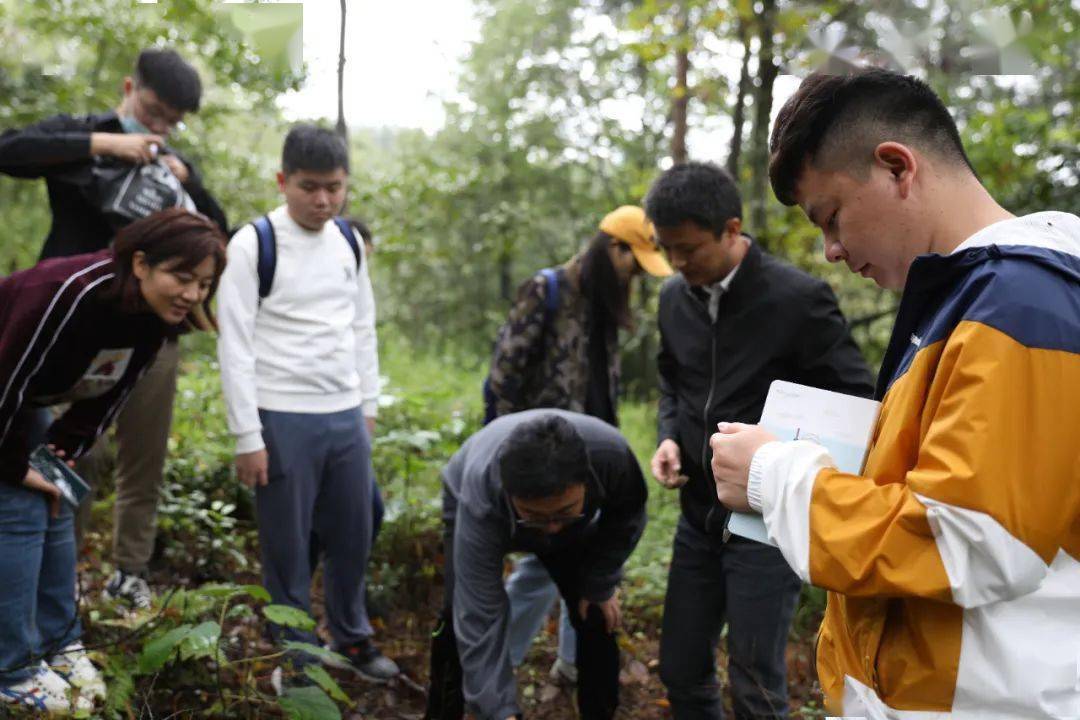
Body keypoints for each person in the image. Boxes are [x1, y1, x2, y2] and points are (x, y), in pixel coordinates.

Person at [709, 68, 1080, 719]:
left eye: (831, 218)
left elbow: (971, 540)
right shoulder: (967, 306)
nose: (830, 251)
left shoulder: (1018, 304)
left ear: (896, 169)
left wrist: (774, 474)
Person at [0, 47, 229, 610]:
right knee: (79, 450)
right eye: (154, 111)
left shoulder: (171, 164)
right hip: (75, 323)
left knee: (143, 453)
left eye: (174, 121)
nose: (161, 126)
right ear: (130, 88)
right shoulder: (85, 137)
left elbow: (215, 235)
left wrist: (188, 180)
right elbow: (10, 150)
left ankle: (130, 571)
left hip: (152, 330)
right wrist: (106, 145)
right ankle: (62, 568)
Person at [644, 161, 874, 719]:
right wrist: (670, 437)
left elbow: (858, 400)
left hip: (767, 524)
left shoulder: (798, 299)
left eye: (688, 249)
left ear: (731, 229)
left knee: (754, 680)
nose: (676, 263)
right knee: (680, 666)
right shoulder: (675, 300)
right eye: (665, 248)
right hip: (698, 516)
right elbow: (674, 383)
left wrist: (787, 464)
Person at [0, 208, 226, 712]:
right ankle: (12, 670)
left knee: (62, 496)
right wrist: (16, 467)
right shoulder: (68, 291)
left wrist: (59, 457)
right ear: (141, 263)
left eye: (204, 284)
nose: (192, 295)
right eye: (182, 277)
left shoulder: (153, 319)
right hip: (4, 396)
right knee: (18, 508)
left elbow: (106, 399)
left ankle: (61, 645)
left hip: (24, 401)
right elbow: (6, 385)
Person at [216, 124, 397, 684]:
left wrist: (367, 405)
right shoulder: (253, 244)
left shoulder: (346, 241)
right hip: (280, 413)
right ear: (282, 181)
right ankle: (294, 655)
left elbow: (361, 325)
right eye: (309, 187)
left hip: (343, 413)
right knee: (288, 547)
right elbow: (235, 342)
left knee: (357, 527)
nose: (322, 200)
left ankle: (352, 635)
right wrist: (248, 435)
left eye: (334, 188)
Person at [488, 205, 672, 683]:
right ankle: (500, 663)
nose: (637, 275)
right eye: (634, 261)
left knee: (586, 558)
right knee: (539, 568)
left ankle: (574, 663)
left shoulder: (605, 303)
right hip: (539, 458)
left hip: (588, 457)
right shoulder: (547, 291)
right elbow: (503, 376)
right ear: (613, 248)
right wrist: (507, 458)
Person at [425, 410, 648, 720]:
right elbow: (479, 614)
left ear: (586, 480)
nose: (552, 529)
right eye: (537, 516)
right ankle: (444, 712)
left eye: (563, 512)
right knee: (457, 615)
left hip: (574, 526)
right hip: (468, 493)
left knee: (596, 614)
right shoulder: (483, 498)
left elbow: (628, 516)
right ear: (510, 494)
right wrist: (500, 712)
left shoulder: (611, 456)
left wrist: (600, 580)